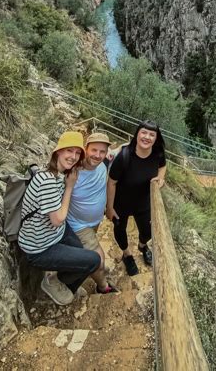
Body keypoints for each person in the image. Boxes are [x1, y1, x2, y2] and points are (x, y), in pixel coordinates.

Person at [18, 131, 101, 306]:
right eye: (69, 151)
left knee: (79, 249)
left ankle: (64, 281)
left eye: (77, 153)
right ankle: (53, 283)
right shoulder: (47, 180)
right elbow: (57, 219)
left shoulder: (59, 172)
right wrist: (70, 186)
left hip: (55, 234)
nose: (73, 157)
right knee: (93, 260)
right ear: (58, 151)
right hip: (40, 247)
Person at [106, 120, 166, 276]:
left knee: (147, 231)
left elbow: (162, 165)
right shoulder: (124, 156)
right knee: (120, 230)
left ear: (156, 138)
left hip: (143, 202)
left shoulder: (157, 153)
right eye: (144, 132)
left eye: (152, 134)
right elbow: (111, 183)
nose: (147, 137)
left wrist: (161, 178)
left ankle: (142, 245)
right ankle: (127, 254)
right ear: (137, 134)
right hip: (121, 203)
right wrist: (110, 208)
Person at [67, 132, 118, 294]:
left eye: (102, 152)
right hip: (78, 225)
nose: (97, 155)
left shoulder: (103, 164)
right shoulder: (72, 172)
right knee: (99, 262)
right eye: (94, 150)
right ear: (85, 149)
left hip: (95, 221)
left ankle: (86, 269)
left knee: (86, 253)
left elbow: (122, 149)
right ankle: (103, 287)